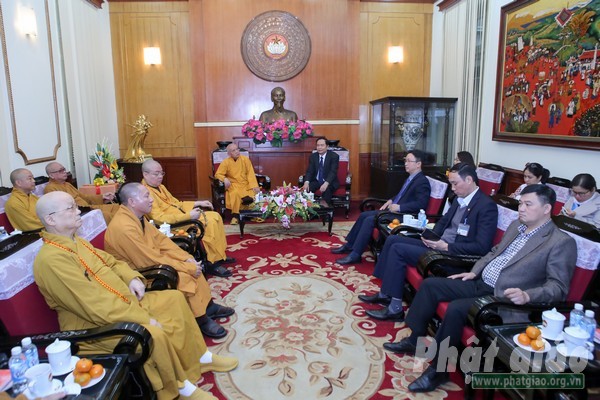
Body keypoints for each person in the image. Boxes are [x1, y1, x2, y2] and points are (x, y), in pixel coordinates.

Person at [33, 191, 238, 400]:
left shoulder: (76, 242)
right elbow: (95, 307)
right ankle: (177, 389)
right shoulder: (52, 260)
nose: (78, 211)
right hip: (96, 324)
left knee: (174, 299)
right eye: (71, 208)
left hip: (124, 300)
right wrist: (143, 318)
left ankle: (199, 358)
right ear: (51, 219)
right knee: (152, 332)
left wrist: (131, 277)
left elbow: (112, 262)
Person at [384, 185, 577, 393]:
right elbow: (494, 252)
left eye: (528, 204)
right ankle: (415, 339)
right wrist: (474, 272)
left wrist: (527, 295)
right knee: (431, 285)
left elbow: (558, 287)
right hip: (480, 283)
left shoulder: (560, 242)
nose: (521, 208)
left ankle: (438, 370)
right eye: (521, 203)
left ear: (547, 208)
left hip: (503, 298)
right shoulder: (516, 225)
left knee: (456, 309)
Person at [359, 163, 498, 321]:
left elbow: (482, 247)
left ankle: (395, 308)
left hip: (452, 255)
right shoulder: (460, 198)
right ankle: (385, 294)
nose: (452, 188)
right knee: (392, 239)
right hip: (439, 244)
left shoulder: (486, 206)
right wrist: (429, 236)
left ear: (469, 179)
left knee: (399, 249)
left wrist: (446, 246)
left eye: (455, 183)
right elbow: (443, 222)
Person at [104, 182, 235, 339]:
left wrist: (186, 258)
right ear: (132, 201)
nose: (151, 199)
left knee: (192, 262)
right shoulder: (124, 227)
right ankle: (200, 319)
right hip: (140, 273)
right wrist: (185, 267)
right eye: (146, 196)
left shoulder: (137, 217)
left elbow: (161, 241)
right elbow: (148, 260)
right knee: (185, 275)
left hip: (154, 258)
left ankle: (208, 306)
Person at [332, 150, 431, 265]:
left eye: (409, 161)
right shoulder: (411, 178)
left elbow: (421, 204)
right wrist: (391, 200)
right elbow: (403, 194)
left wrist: (399, 207)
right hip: (395, 210)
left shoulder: (422, 182)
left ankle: (356, 254)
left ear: (418, 164)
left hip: (405, 215)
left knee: (370, 220)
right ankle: (350, 245)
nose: (405, 163)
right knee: (364, 215)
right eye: (405, 161)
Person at [142, 159, 234, 278]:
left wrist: (197, 203)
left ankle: (220, 255)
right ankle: (211, 262)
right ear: (145, 174)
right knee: (208, 222)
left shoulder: (161, 187)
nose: (160, 177)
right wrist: (189, 216)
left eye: (162, 173)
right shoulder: (145, 192)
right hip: (174, 224)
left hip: (182, 216)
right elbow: (159, 218)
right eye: (156, 174)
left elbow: (176, 203)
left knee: (215, 216)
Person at [44, 162, 119, 224]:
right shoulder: (50, 188)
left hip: (88, 207)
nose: (64, 172)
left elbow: (84, 197)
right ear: (51, 175)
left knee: (117, 208)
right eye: (60, 171)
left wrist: (102, 197)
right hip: (80, 213)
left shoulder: (67, 184)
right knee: (108, 215)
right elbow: (62, 208)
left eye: (64, 169)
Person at [213, 144, 260, 225]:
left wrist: (254, 186)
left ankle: (251, 214)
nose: (237, 151)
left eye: (237, 149)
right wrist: (224, 179)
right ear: (229, 154)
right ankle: (236, 215)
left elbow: (250, 174)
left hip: (245, 184)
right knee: (235, 194)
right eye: (233, 150)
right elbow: (218, 174)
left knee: (252, 193)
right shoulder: (226, 162)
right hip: (233, 185)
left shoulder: (245, 160)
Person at [302, 137, 340, 208]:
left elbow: (333, 172)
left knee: (327, 190)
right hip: (316, 181)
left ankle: (326, 212)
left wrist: (326, 183)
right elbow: (310, 171)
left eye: (322, 145)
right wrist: (306, 182)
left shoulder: (334, 156)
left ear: (327, 146)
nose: (319, 147)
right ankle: (311, 211)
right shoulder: (313, 156)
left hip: (329, 182)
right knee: (307, 189)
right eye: (318, 145)